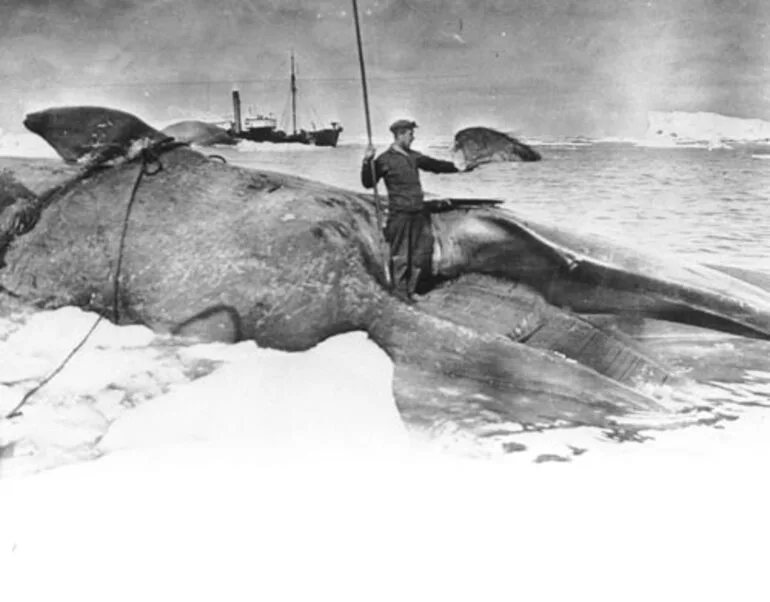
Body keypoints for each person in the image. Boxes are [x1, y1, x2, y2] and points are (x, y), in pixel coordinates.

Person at [361, 119, 466, 299]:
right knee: (401, 256)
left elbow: (434, 165)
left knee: (419, 254)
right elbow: (368, 183)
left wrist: (457, 168)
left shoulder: (413, 156)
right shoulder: (384, 160)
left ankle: (412, 290)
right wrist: (366, 161)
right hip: (400, 214)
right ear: (400, 134)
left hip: (418, 212)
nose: (413, 137)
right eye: (410, 134)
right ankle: (400, 294)